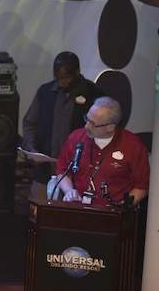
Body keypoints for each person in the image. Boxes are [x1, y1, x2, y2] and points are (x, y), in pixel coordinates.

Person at [22, 51, 105, 199]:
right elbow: (30, 123)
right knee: (38, 215)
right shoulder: (45, 92)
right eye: (57, 78)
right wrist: (32, 148)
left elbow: (102, 132)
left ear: (77, 73)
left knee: (71, 218)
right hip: (46, 172)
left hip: (79, 176)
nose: (61, 82)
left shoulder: (94, 95)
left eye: (65, 78)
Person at [55, 96, 149, 206]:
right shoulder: (76, 138)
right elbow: (62, 171)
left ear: (110, 127)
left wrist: (122, 208)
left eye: (93, 124)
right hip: (78, 209)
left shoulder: (133, 146)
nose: (86, 126)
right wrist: (69, 191)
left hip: (114, 215)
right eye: (87, 119)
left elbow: (141, 187)